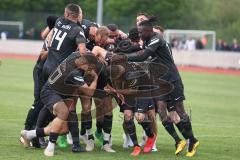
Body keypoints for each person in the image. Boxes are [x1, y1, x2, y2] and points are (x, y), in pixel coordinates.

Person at [124, 19, 200, 157]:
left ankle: (192, 140)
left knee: (179, 110)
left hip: (172, 80)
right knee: (161, 109)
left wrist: (123, 58)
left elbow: (143, 56)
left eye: (141, 32)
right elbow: (140, 53)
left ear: (148, 30)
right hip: (160, 82)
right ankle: (178, 141)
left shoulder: (157, 39)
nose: (139, 34)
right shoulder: (147, 41)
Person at [20, 53, 102, 156]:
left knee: (63, 130)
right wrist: (95, 78)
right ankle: (50, 146)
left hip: (60, 91)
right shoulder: (74, 73)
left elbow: (82, 53)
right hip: (50, 92)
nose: (89, 70)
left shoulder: (73, 56)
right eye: (90, 67)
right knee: (63, 112)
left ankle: (29, 134)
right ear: (85, 63)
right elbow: (89, 92)